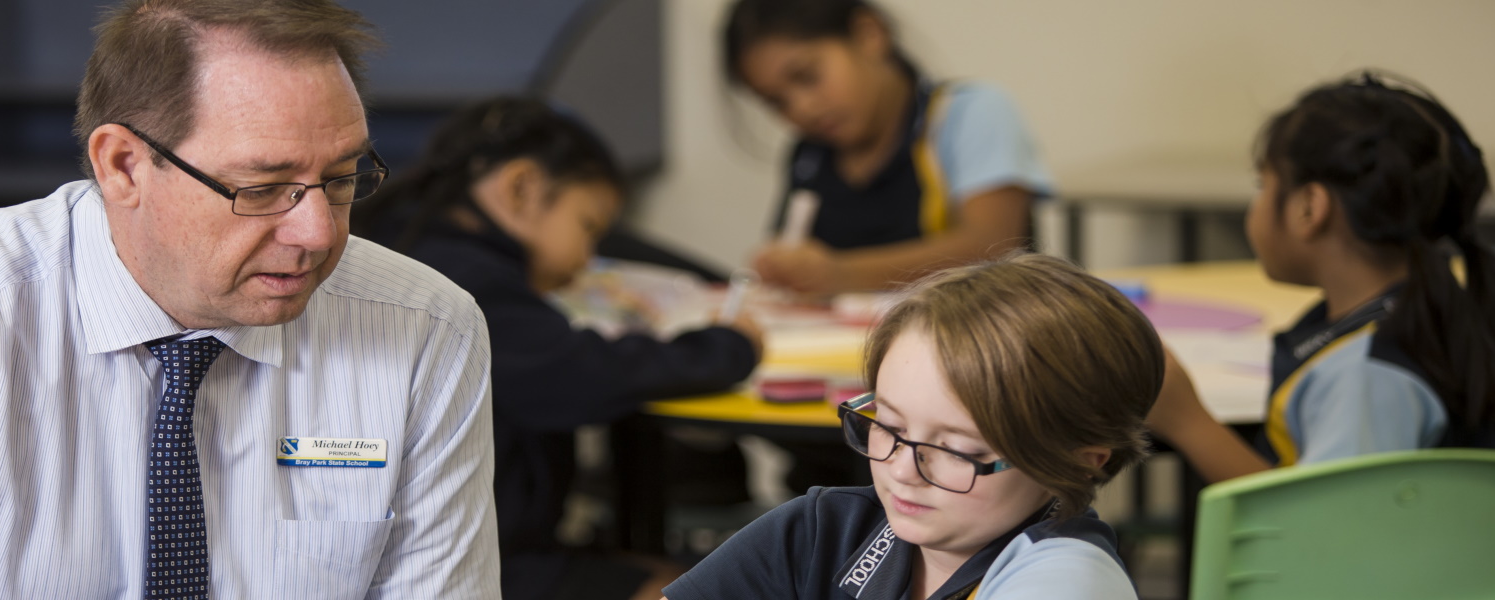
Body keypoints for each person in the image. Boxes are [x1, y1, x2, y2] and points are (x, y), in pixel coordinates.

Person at [0, 1, 500, 598]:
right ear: (121, 166)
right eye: (262, 188)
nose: (320, 232)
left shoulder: (427, 329)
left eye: (341, 177)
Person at [355, 98, 763, 600]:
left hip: (427, 548)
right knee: (691, 588)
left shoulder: (404, 243)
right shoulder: (464, 284)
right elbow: (580, 378)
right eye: (588, 226)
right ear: (522, 188)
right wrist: (729, 346)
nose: (587, 258)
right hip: (460, 565)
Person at [663, 252, 1161, 600]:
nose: (904, 470)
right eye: (890, 426)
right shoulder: (822, 533)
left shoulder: (1066, 578)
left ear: (1076, 461)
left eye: (957, 450)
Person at [1145, 72, 1495, 485]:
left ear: (1310, 208)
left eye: (1263, 184)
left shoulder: (1367, 377)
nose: (1255, 205)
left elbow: (1325, 529)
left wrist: (1188, 422)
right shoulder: (1424, 313)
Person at [722, 0, 1054, 297]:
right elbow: (793, 251)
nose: (801, 109)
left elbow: (994, 247)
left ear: (870, 34)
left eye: (807, 76)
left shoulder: (968, 113)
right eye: (776, 102)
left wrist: (840, 273)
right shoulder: (809, 156)